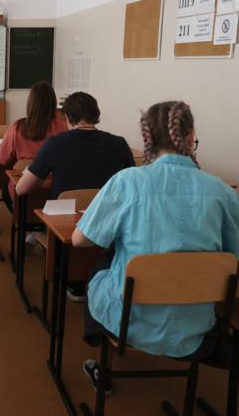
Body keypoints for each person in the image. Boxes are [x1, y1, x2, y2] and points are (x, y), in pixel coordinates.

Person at [72, 101, 239, 395]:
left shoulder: (127, 182)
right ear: (191, 136)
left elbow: (79, 240)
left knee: (104, 264)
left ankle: (104, 364)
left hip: (129, 323)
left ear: (146, 138)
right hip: (197, 329)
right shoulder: (222, 192)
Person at [16, 91, 135, 301]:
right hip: (108, 226)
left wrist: (41, 179)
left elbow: (21, 189)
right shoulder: (119, 144)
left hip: (66, 228)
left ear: (68, 117)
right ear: (96, 115)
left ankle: (70, 281)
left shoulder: (55, 144)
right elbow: (131, 186)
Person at [0, 81, 67, 169]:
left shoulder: (17, 127)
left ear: (30, 103)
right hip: (54, 177)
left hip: (23, 176)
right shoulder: (64, 128)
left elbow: (2, 159)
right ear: (53, 103)